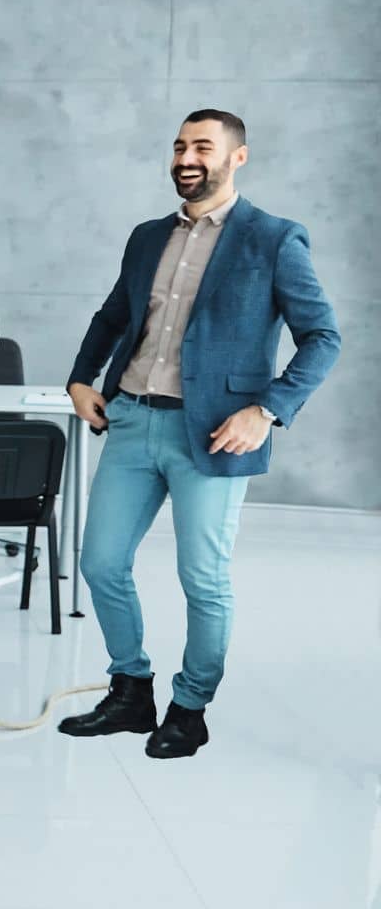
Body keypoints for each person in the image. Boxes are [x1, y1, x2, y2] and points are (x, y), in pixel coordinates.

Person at [60, 110, 340, 758]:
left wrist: (266, 410)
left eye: (203, 147)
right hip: (131, 419)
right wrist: (81, 378)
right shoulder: (147, 236)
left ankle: (189, 707)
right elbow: (112, 316)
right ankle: (131, 689)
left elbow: (323, 337)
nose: (187, 156)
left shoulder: (273, 238)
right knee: (100, 562)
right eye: (181, 145)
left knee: (203, 578)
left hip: (214, 434)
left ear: (236, 157)